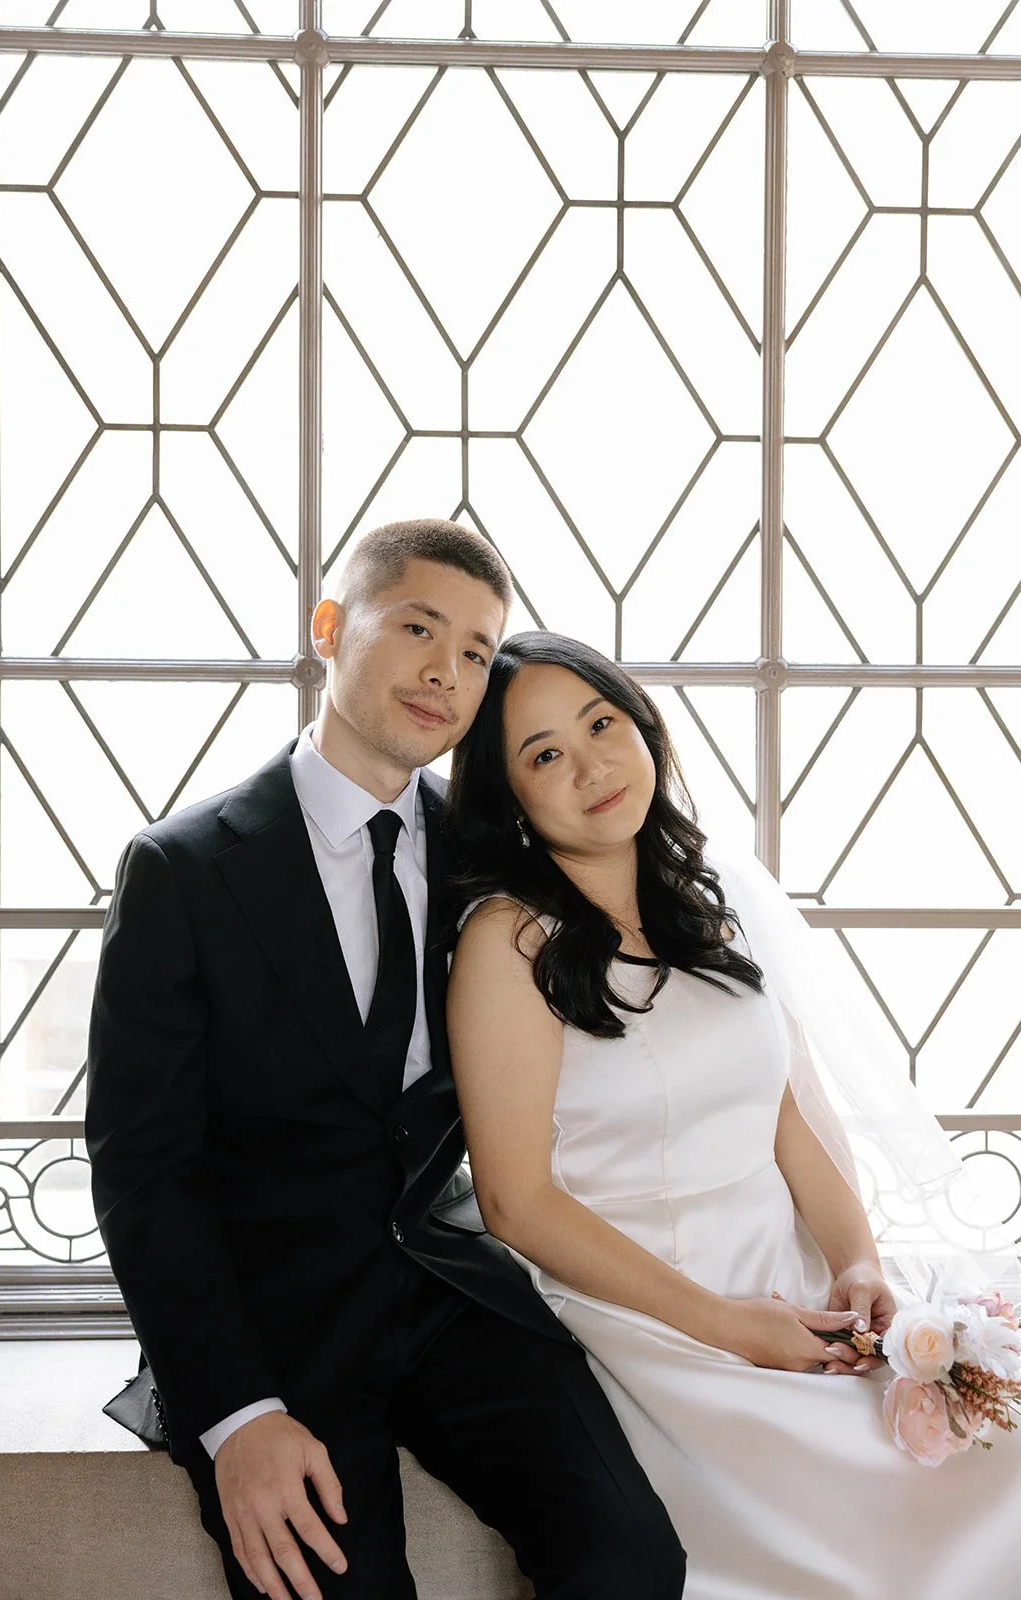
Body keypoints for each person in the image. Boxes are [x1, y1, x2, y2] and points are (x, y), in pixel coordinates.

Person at [85, 522, 685, 1600]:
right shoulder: (182, 869)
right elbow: (143, 1169)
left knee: (629, 1555)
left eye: (475, 651)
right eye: (417, 628)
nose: (446, 671)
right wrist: (237, 1417)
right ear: (329, 627)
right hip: (273, 1324)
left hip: (454, 1294)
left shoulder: (489, 855)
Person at [445, 629, 1021, 1600]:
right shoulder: (509, 941)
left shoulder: (706, 896)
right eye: (544, 755)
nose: (589, 766)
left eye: (600, 724)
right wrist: (726, 1327)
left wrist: (855, 1261)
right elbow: (514, 1201)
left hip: (788, 1277)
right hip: (651, 1314)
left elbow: (787, 1107)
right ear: (509, 797)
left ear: (642, 726)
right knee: (877, 1524)